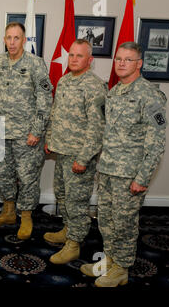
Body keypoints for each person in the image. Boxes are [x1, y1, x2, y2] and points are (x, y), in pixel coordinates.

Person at [80, 42, 167, 287]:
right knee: (106, 220)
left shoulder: (149, 95)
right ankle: (109, 260)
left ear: (139, 64)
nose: (121, 63)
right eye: (118, 59)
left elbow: (156, 142)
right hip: (107, 169)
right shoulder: (115, 91)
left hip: (129, 174)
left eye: (127, 60)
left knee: (125, 223)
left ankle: (122, 269)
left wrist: (143, 177)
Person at [0, 22, 52, 240]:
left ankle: (26, 216)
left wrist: (36, 131)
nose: (12, 42)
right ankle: (8, 212)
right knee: (3, 176)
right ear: (4, 40)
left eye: (16, 38)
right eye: (8, 38)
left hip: (27, 135)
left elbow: (45, 99)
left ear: (24, 40)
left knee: (27, 178)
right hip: (2, 133)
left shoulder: (36, 63)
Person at [44, 39, 107, 264]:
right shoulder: (64, 81)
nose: (73, 59)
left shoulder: (94, 86)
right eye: (71, 55)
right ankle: (68, 230)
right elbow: (55, 114)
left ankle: (74, 244)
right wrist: (49, 139)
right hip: (61, 150)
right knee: (63, 195)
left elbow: (97, 128)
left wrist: (83, 158)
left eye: (79, 56)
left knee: (77, 201)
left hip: (79, 156)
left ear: (89, 60)